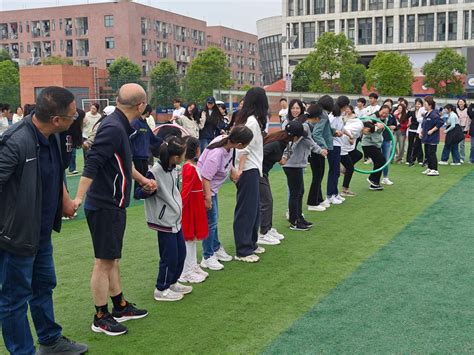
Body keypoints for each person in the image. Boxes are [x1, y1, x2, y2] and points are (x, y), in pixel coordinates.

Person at [0, 86, 88, 354]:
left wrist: (63, 200)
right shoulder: (15, 141)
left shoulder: (55, 137)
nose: (76, 118)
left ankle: (50, 340)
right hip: (16, 236)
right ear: (57, 120)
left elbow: (56, 170)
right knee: (14, 299)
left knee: (44, 286)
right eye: (73, 116)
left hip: (41, 233)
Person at [73, 84, 156, 336]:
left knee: (112, 258)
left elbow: (123, 161)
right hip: (103, 204)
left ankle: (119, 305)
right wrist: (77, 198)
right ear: (141, 106)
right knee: (104, 261)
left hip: (114, 203)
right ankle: (100, 315)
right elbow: (93, 163)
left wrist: (142, 180)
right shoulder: (113, 127)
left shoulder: (120, 124)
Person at [136, 136, 193, 301]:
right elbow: (138, 194)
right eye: (183, 154)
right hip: (164, 221)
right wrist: (148, 189)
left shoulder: (174, 168)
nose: (184, 156)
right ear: (175, 157)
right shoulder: (154, 172)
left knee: (181, 254)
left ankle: (173, 282)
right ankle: (161, 288)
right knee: (169, 257)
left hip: (176, 219)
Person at [198, 126, 253, 270]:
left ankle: (215, 248)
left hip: (212, 189)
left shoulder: (228, 144)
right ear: (240, 144)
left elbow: (228, 163)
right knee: (211, 222)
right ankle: (207, 256)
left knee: (214, 221)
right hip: (205, 189)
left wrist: (233, 171)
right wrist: (207, 198)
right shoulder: (217, 154)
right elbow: (205, 177)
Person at [233, 87, 268, 263]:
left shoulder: (252, 120)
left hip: (252, 169)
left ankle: (251, 243)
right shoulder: (252, 122)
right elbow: (243, 148)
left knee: (253, 209)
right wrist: (239, 171)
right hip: (247, 170)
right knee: (246, 210)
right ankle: (243, 249)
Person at [259, 126, 304, 245]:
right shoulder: (275, 144)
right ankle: (263, 233)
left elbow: (282, 159)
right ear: (295, 137)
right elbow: (259, 156)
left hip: (263, 173)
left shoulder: (284, 143)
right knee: (267, 201)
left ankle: (267, 228)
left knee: (267, 201)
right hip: (257, 173)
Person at [282, 120, 326, 231]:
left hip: (297, 165)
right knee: (295, 193)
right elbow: (289, 149)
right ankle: (294, 221)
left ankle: (299, 217)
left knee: (300, 192)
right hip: (292, 166)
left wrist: (320, 151)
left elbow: (310, 143)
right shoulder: (293, 137)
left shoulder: (303, 131)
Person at [179, 137, 209, 283]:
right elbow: (185, 192)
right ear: (197, 150)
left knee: (192, 238)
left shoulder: (191, 167)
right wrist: (180, 208)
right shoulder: (189, 168)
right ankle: (185, 271)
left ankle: (192, 265)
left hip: (194, 205)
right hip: (190, 207)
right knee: (188, 238)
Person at [130, 104, 163, 199]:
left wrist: (163, 142)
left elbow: (152, 137)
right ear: (148, 112)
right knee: (139, 175)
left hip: (144, 154)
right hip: (137, 154)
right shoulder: (136, 122)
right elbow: (130, 136)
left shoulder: (144, 123)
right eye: (151, 111)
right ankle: (137, 194)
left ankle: (141, 193)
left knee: (144, 173)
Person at [307, 96, 333, 212]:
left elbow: (322, 130)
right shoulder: (322, 114)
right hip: (317, 149)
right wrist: (323, 147)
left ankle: (319, 199)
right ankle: (312, 202)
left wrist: (333, 132)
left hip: (316, 148)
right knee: (318, 175)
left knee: (319, 174)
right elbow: (317, 133)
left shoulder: (321, 113)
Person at [324, 96, 349, 205]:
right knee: (334, 171)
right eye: (347, 106)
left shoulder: (339, 116)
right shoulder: (332, 117)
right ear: (344, 105)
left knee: (336, 171)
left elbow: (342, 129)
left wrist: (349, 135)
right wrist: (336, 133)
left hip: (337, 145)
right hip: (333, 146)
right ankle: (330, 195)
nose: (347, 108)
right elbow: (328, 131)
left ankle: (335, 193)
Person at [340, 105, 365, 197]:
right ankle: (344, 190)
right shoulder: (358, 126)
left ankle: (343, 168)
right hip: (342, 148)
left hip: (347, 148)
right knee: (350, 168)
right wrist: (350, 137)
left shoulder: (357, 121)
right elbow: (345, 130)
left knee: (358, 154)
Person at [361, 110, 386, 191]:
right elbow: (366, 124)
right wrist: (375, 126)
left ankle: (375, 184)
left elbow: (382, 130)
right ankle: (372, 178)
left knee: (379, 162)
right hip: (368, 144)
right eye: (383, 112)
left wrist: (383, 126)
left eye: (386, 113)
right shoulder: (373, 117)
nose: (384, 114)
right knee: (381, 160)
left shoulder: (385, 119)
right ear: (380, 110)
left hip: (376, 144)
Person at [420, 96, 443, 176]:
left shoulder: (434, 113)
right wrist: (421, 132)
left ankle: (435, 169)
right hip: (426, 138)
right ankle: (429, 168)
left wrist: (432, 130)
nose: (424, 105)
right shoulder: (426, 114)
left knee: (431, 153)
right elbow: (423, 125)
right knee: (427, 153)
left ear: (430, 105)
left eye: (425, 103)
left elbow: (440, 122)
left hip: (432, 138)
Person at [378, 102, 397, 186]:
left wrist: (393, 128)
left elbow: (396, 126)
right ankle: (375, 178)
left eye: (389, 106)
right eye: (386, 105)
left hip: (387, 139)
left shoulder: (391, 117)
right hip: (377, 140)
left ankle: (385, 177)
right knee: (377, 160)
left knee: (386, 159)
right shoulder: (377, 116)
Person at [406, 98, 425, 166]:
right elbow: (406, 117)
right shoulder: (412, 112)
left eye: (419, 104)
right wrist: (409, 111)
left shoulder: (423, 112)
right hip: (412, 130)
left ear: (421, 105)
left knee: (419, 145)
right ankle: (409, 159)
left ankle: (420, 159)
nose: (417, 105)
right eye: (416, 104)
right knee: (410, 145)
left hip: (419, 130)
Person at [456, 99, 470, 163]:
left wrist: (466, 129)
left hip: (464, 127)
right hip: (457, 127)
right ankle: (456, 157)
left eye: (462, 102)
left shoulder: (467, 110)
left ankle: (462, 157)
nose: (460, 103)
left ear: (464, 103)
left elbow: (468, 120)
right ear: (458, 103)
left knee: (462, 144)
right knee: (455, 143)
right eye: (459, 102)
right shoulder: (456, 110)